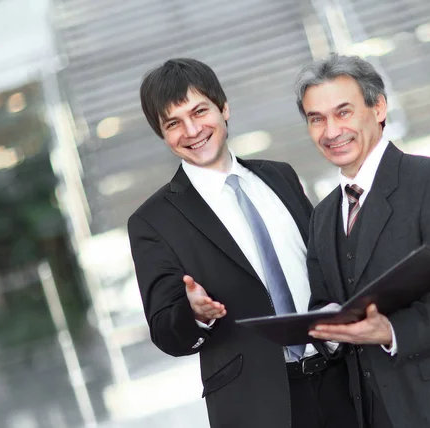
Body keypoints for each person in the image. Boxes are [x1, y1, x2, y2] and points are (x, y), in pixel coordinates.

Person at [128, 58, 357, 428]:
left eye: (199, 111)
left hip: (342, 379)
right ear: (163, 134)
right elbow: (165, 331)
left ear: (224, 108)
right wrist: (195, 314)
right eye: (173, 123)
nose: (191, 130)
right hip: (257, 406)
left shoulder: (280, 176)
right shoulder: (153, 221)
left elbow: (324, 268)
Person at [295, 54, 430, 428]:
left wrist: (392, 331)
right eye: (317, 119)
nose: (331, 131)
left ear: (378, 107)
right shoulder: (322, 217)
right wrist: (328, 331)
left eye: (343, 112)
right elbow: (323, 302)